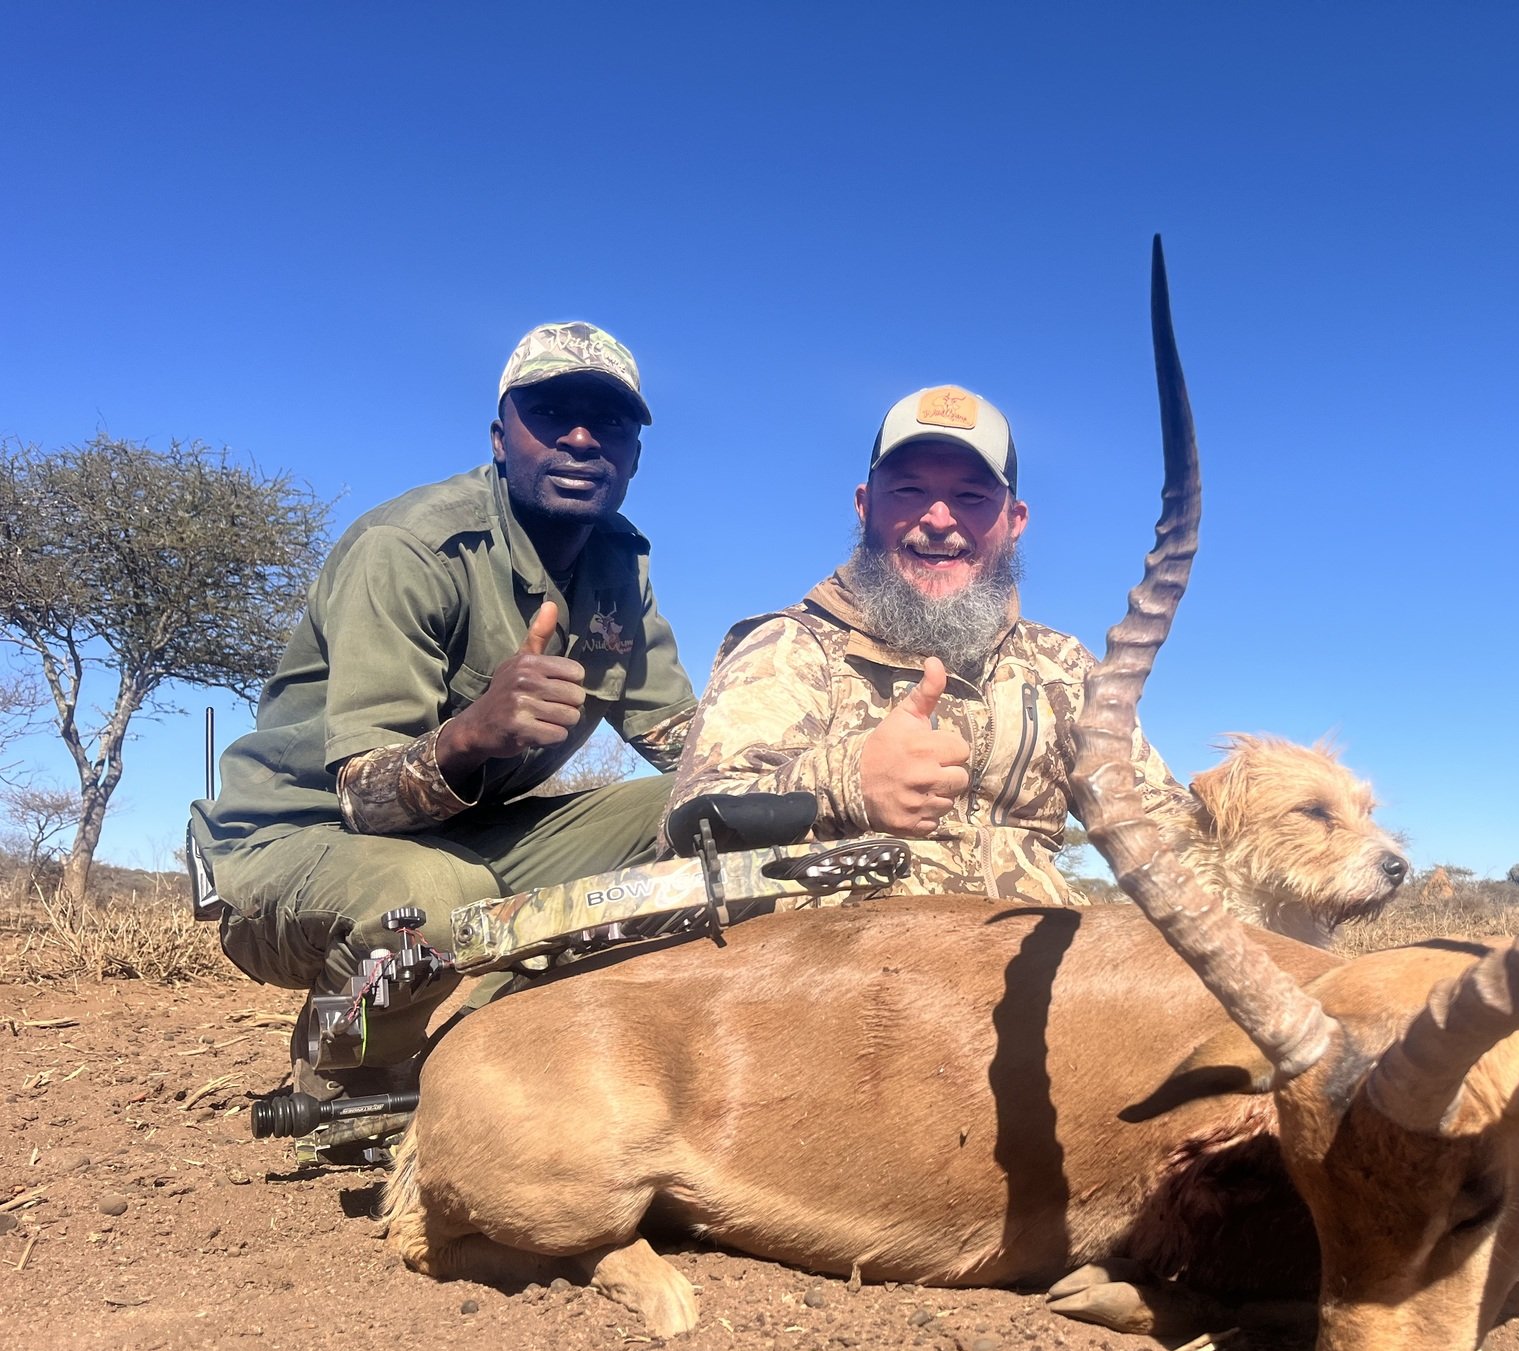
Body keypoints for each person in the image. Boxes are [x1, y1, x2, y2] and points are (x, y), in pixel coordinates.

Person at [191, 322, 697, 1095]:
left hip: (463, 842)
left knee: (704, 809)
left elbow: (689, 745)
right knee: (426, 905)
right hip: (300, 843)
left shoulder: (619, 567)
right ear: (501, 438)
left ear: (634, 456)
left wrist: (835, 771)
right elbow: (362, 797)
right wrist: (472, 734)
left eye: (612, 421)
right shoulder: (411, 549)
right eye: (553, 412)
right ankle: (342, 1068)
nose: (584, 437)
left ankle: (491, 1045)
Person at [669, 384, 1190, 904]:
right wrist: (848, 782)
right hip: (838, 966)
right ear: (864, 506)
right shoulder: (790, 646)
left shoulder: (1063, 667)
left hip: (1036, 961)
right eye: (909, 491)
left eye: (970, 497)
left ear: (1015, 522)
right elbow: (692, 828)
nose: (939, 520)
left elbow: (1165, 825)